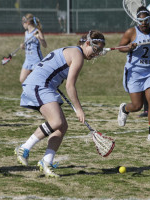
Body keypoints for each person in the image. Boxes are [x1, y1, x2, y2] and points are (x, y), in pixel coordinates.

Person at [14, 30, 105, 178]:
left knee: (62, 126)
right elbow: (70, 86)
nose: (95, 54)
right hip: (38, 85)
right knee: (56, 121)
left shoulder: (74, 51)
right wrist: (79, 109)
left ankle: (46, 161)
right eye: (95, 50)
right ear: (87, 43)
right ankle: (24, 148)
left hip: (44, 85)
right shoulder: (78, 56)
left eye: (99, 51)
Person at [117, 6, 150, 142]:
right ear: (137, 21)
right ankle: (125, 109)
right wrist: (129, 47)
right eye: (141, 21)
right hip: (134, 72)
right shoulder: (131, 33)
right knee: (137, 106)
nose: (144, 23)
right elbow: (120, 48)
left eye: (146, 20)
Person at [20, 13, 47, 83]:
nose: (22, 24)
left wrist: (39, 38)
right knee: (22, 79)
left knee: (38, 81)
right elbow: (28, 46)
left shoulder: (37, 32)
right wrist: (23, 46)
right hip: (28, 59)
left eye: (23, 22)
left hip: (36, 60)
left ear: (28, 22)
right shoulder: (26, 33)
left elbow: (45, 45)